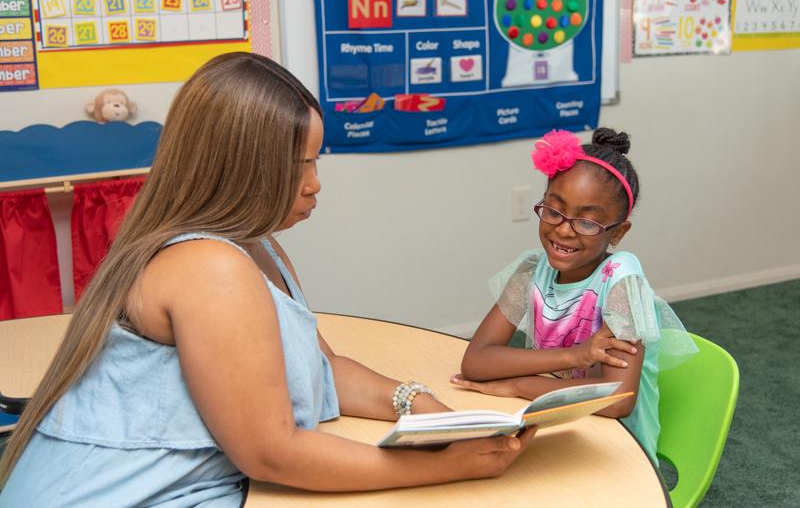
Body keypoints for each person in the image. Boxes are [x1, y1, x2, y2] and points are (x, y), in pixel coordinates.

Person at [0, 53, 536, 505]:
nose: (315, 184)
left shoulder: (256, 246)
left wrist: (418, 405)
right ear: (237, 166)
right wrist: (449, 466)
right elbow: (272, 452)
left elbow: (325, 368)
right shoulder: (209, 268)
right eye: (299, 166)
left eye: (316, 162)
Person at [451, 128, 696, 462]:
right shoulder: (531, 271)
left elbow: (617, 399)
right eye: (554, 211)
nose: (564, 229)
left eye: (588, 223)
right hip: (554, 423)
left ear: (618, 233)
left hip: (619, 451)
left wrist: (519, 385)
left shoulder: (621, 281)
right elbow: (476, 361)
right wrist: (575, 356)